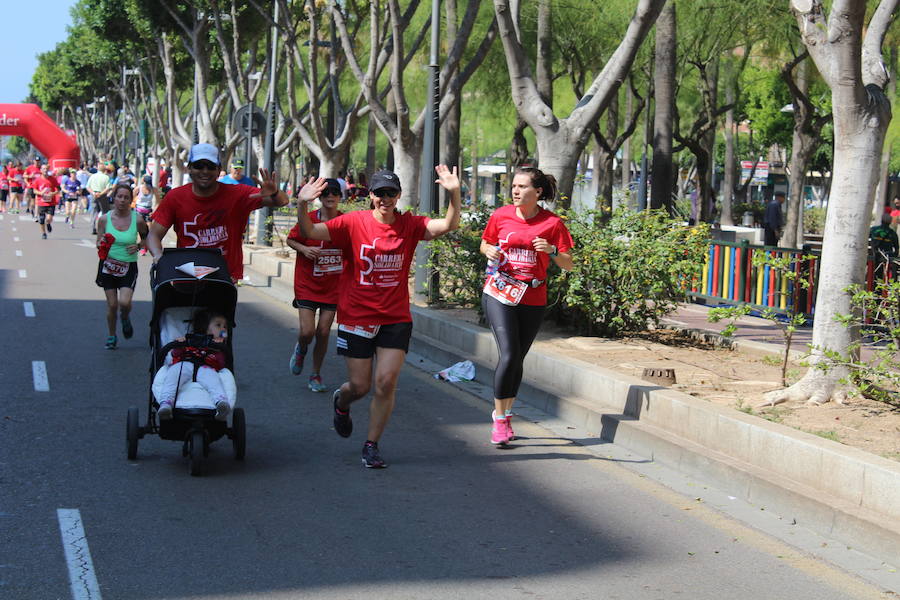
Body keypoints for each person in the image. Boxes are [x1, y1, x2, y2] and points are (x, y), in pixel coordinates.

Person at [296, 165, 462, 468]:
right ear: (370, 195)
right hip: (357, 315)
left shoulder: (410, 225)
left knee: (386, 382)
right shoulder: (352, 223)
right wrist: (302, 203)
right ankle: (341, 402)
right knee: (360, 387)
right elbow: (308, 232)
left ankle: (371, 445)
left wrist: (453, 194)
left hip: (395, 316)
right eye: (380, 193)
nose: (385, 198)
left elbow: (449, 225)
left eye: (391, 193)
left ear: (398, 195)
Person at [480, 166, 574, 446]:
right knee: (508, 355)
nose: (516, 191)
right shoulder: (501, 215)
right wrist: (490, 250)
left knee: (518, 358)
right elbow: (485, 244)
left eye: (522, 187)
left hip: (532, 297)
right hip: (500, 293)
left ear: (538, 192)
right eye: (514, 187)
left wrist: (553, 251)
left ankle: (507, 415)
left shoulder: (552, 223)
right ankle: (498, 421)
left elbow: (569, 263)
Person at [146, 143, 289, 283]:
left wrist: (275, 192)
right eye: (199, 166)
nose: (204, 171)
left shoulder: (237, 194)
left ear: (219, 169)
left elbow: (282, 201)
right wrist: (159, 257)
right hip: (185, 277)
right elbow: (153, 235)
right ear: (189, 168)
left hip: (224, 278)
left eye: (210, 166)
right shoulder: (175, 197)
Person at [286, 178, 344, 392]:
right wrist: (304, 249)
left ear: (340, 197)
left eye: (334, 192)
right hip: (307, 283)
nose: (330, 196)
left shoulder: (346, 222)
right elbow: (290, 239)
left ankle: (315, 374)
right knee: (307, 332)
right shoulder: (308, 219)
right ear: (319, 197)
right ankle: (301, 348)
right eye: (325, 192)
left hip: (333, 286)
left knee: (323, 332)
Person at [96, 183, 149, 349]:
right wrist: (101, 243)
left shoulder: (138, 219)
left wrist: (139, 246)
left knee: (124, 303)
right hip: (108, 265)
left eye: (126, 197)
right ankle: (112, 336)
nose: (122, 200)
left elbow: (147, 237)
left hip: (128, 266)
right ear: (114, 197)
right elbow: (98, 241)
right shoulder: (104, 219)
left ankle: (125, 317)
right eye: (119, 196)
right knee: (112, 305)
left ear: (131, 200)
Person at [156, 310, 231, 421]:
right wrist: (179, 345)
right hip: (185, 363)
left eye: (225, 327)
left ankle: (220, 401)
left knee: (213, 379)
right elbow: (174, 354)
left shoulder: (218, 348)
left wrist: (219, 348)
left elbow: (221, 365)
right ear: (205, 327)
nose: (223, 329)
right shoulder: (189, 340)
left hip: (206, 367)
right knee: (173, 375)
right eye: (218, 325)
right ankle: (166, 402)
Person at [33, 166, 60, 239]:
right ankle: (44, 233)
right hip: (41, 202)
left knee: (48, 219)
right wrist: (41, 193)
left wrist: (53, 193)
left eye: (47, 169)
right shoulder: (37, 180)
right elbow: (34, 191)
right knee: (41, 219)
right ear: (41, 170)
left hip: (51, 202)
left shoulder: (52, 179)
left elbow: (58, 190)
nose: (45, 170)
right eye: (44, 169)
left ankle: (48, 223)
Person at [870, 213, 899, 281]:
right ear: (890, 222)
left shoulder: (873, 229)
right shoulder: (892, 233)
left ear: (881, 220)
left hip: (874, 257)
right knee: (884, 275)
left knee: (873, 275)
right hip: (887, 258)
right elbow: (896, 249)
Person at [87, 162, 113, 234]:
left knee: (94, 211)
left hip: (94, 195)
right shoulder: (106, 177)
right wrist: (100, 193)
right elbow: (108, 188)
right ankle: (103, 228)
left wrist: (93, 193)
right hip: (103, 195)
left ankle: (93, 227)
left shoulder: (93, 176)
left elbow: (88, 187)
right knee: (104, 212)